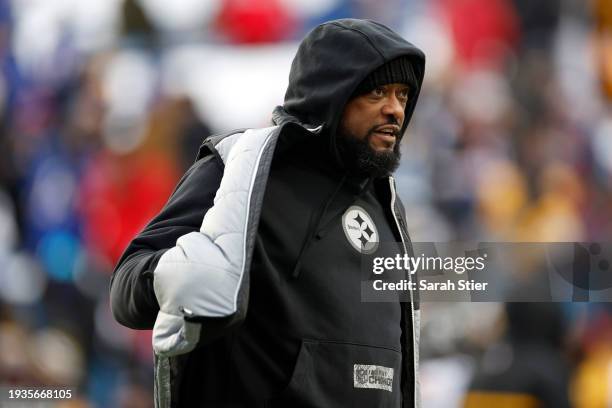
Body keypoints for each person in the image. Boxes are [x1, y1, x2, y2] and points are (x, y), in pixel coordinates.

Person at [110, 18, 425, 408]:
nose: (396, 109)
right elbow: (125, 289)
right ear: (332, 92)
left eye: (403, 94)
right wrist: (177, 275)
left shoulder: (388, 205)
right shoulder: (243, 166)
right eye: (378, 91)